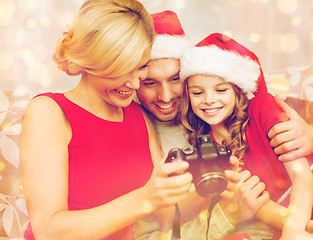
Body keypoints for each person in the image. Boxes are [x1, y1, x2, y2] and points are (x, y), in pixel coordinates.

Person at [135, 11, 313, 240]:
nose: (166, 96)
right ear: (135, 80)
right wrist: (234, 212)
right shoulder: (144, 130)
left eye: (175, 79)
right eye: (150, 83)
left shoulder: (232, 107)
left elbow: (298, 162)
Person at [19, 1, 194, 239]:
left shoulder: (137, 115)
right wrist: (144, 198)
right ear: (91, 63)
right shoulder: (49, 112)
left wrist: (220, 183)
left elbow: (165, 217)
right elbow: (48, 231)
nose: (134, 84)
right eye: (122, 70)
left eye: (141, 67)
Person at [180, 32, 313, 239]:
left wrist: (294, 228)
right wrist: (306, 226)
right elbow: (259, 204)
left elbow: (301, 175)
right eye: (197, 93)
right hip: (287, 216)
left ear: (237, 89)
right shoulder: (206, 148)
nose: (209, 100)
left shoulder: (263, 108)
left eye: (221, 90)